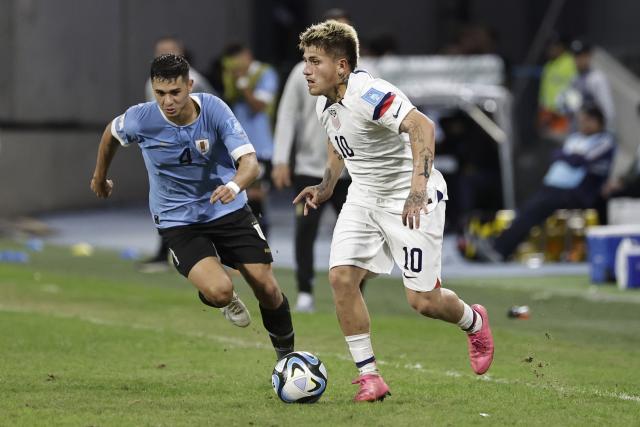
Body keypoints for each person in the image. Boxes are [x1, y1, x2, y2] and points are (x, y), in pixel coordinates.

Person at [294, 20, 494, 402]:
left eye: (314, 61)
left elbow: (423, 126)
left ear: (341, 66)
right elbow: (340, 144)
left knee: (423, 302)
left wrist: (417, 190)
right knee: (341, 278)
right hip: (365, 196)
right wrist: (326, 186)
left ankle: (474, 321)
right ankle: (370, 377)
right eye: (305, 60)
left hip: (409, 196)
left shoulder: (369, 93)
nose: (306, 69)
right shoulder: (326, 102)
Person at [90, 54, 295, 360]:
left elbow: (249, 164)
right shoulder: (141, 118)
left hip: (227, 209)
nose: (167, 101)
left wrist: (234, 186)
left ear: (189, 85)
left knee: (266, 286)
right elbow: (111, 134)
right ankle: (202, 279)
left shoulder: (213, 109)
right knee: (221, 291)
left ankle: (287, 360)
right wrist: (100, 176)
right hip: (178, 219)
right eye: (160, 93)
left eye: (175, 92)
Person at [272, 8, 353, 313]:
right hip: (309, 168)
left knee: (355, 233)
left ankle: (353, 288)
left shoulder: (363, 77)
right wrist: (281, 159)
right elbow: (287, 114)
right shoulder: (301, 72)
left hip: (350, 171)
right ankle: (305, 289)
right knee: (305, 231)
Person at [475, 104, 615, 262]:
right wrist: (568, 157)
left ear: (597, 122)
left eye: (586, 121)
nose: (582, 125)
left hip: (576, 192)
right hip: (554, 188)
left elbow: (579, 160)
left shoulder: (605, 141)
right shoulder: (576, 138)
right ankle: (498, 246)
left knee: (534, 211)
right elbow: (557, 155)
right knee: (526, 210)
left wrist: (567, 156)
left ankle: (499, 249)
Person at [140, 36, 216, 273]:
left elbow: (213, 109)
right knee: (167, 202)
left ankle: (196, 254)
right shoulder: (152, 82)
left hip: (194, 155)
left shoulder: (196, 81)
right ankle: (168, 253)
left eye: (169, 51)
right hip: (165, 154)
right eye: (160, 52)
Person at [220, 43, 278, 236]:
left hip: (260, 148)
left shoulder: (265, 73)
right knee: (238, 198)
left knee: (255, 196)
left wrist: (242, 83)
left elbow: (258, 106)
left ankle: (262, 246)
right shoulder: (232, 78)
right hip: (236, 149)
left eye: (238, 58)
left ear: (247, 55)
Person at [558, 39, 615, 132]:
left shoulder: (597, 78)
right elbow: (565, 106)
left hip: (594, 135)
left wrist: (604, 132)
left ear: (589, 56)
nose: (578, 60)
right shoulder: (574, 79)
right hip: (576, 134)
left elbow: (608, 111)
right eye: (575, 56)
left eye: (582, 56)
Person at [537, 35, 577, 141]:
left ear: (562, 47)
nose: (550, 49)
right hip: (547, 113)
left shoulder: (570, 62)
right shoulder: (548, 65)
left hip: (562, 113)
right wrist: (542, 110)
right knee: (547, 145)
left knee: (562, 144)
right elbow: (543, 92)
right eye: (549, 46)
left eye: (553, 46)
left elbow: (574, 90)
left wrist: (564, 109)